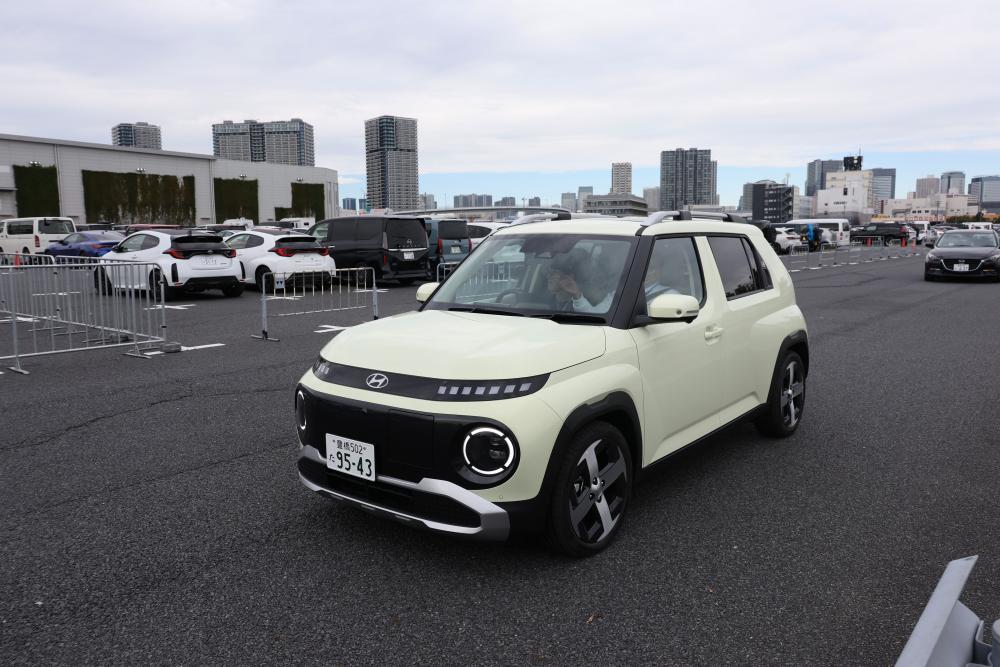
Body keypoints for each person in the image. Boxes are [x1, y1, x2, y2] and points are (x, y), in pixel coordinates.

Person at [547, 249, 613, 313]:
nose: (548, 276)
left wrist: (577, 296)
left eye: (553, 272)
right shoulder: (550, 300)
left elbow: (590, 316)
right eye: (549, 272)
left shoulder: (590, 297)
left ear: (570, 276)